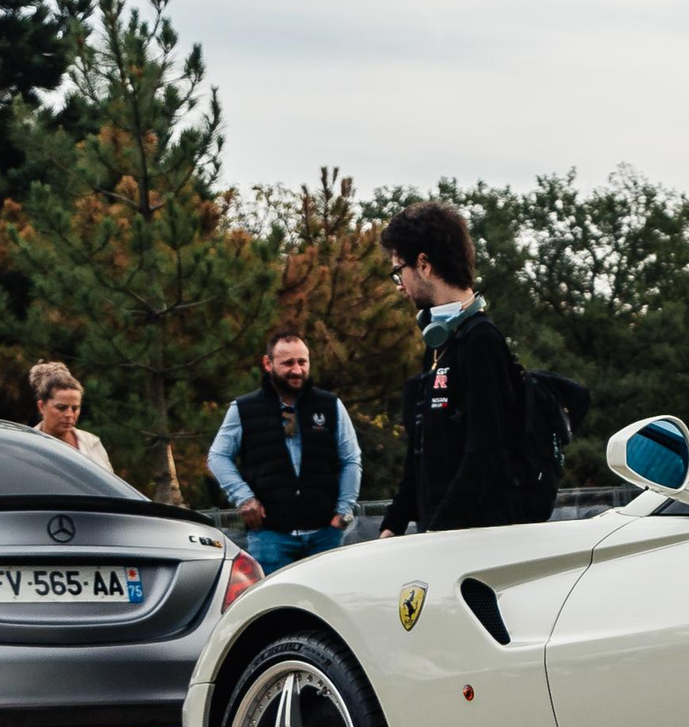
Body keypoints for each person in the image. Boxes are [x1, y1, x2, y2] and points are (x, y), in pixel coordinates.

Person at [379, 201, 524, 537]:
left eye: (399, 271)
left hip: (473, 538)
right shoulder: (437, 343)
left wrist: (443, 529)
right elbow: (421, 450)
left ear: (424, 264)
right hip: (442, 534)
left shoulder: (481, 340)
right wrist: (394, 521)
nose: (398, 284)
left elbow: (485, 450)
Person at [206, 328, 362, 572]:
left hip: (325, 534)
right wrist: (243, 497)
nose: (297, 370)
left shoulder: (330, 405)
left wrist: (344, 512)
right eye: (288, 363)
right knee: (277, 607)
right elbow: (217, 456)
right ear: (268, 363)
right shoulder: (244, 409)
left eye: (302, 361)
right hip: (270, 537)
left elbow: (351, 459)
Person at [27, 361, 116, 474]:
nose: (69, 414)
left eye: (75, 408)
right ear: (42, 406)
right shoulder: (27, 445)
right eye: (61, 408)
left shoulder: (91, 443)